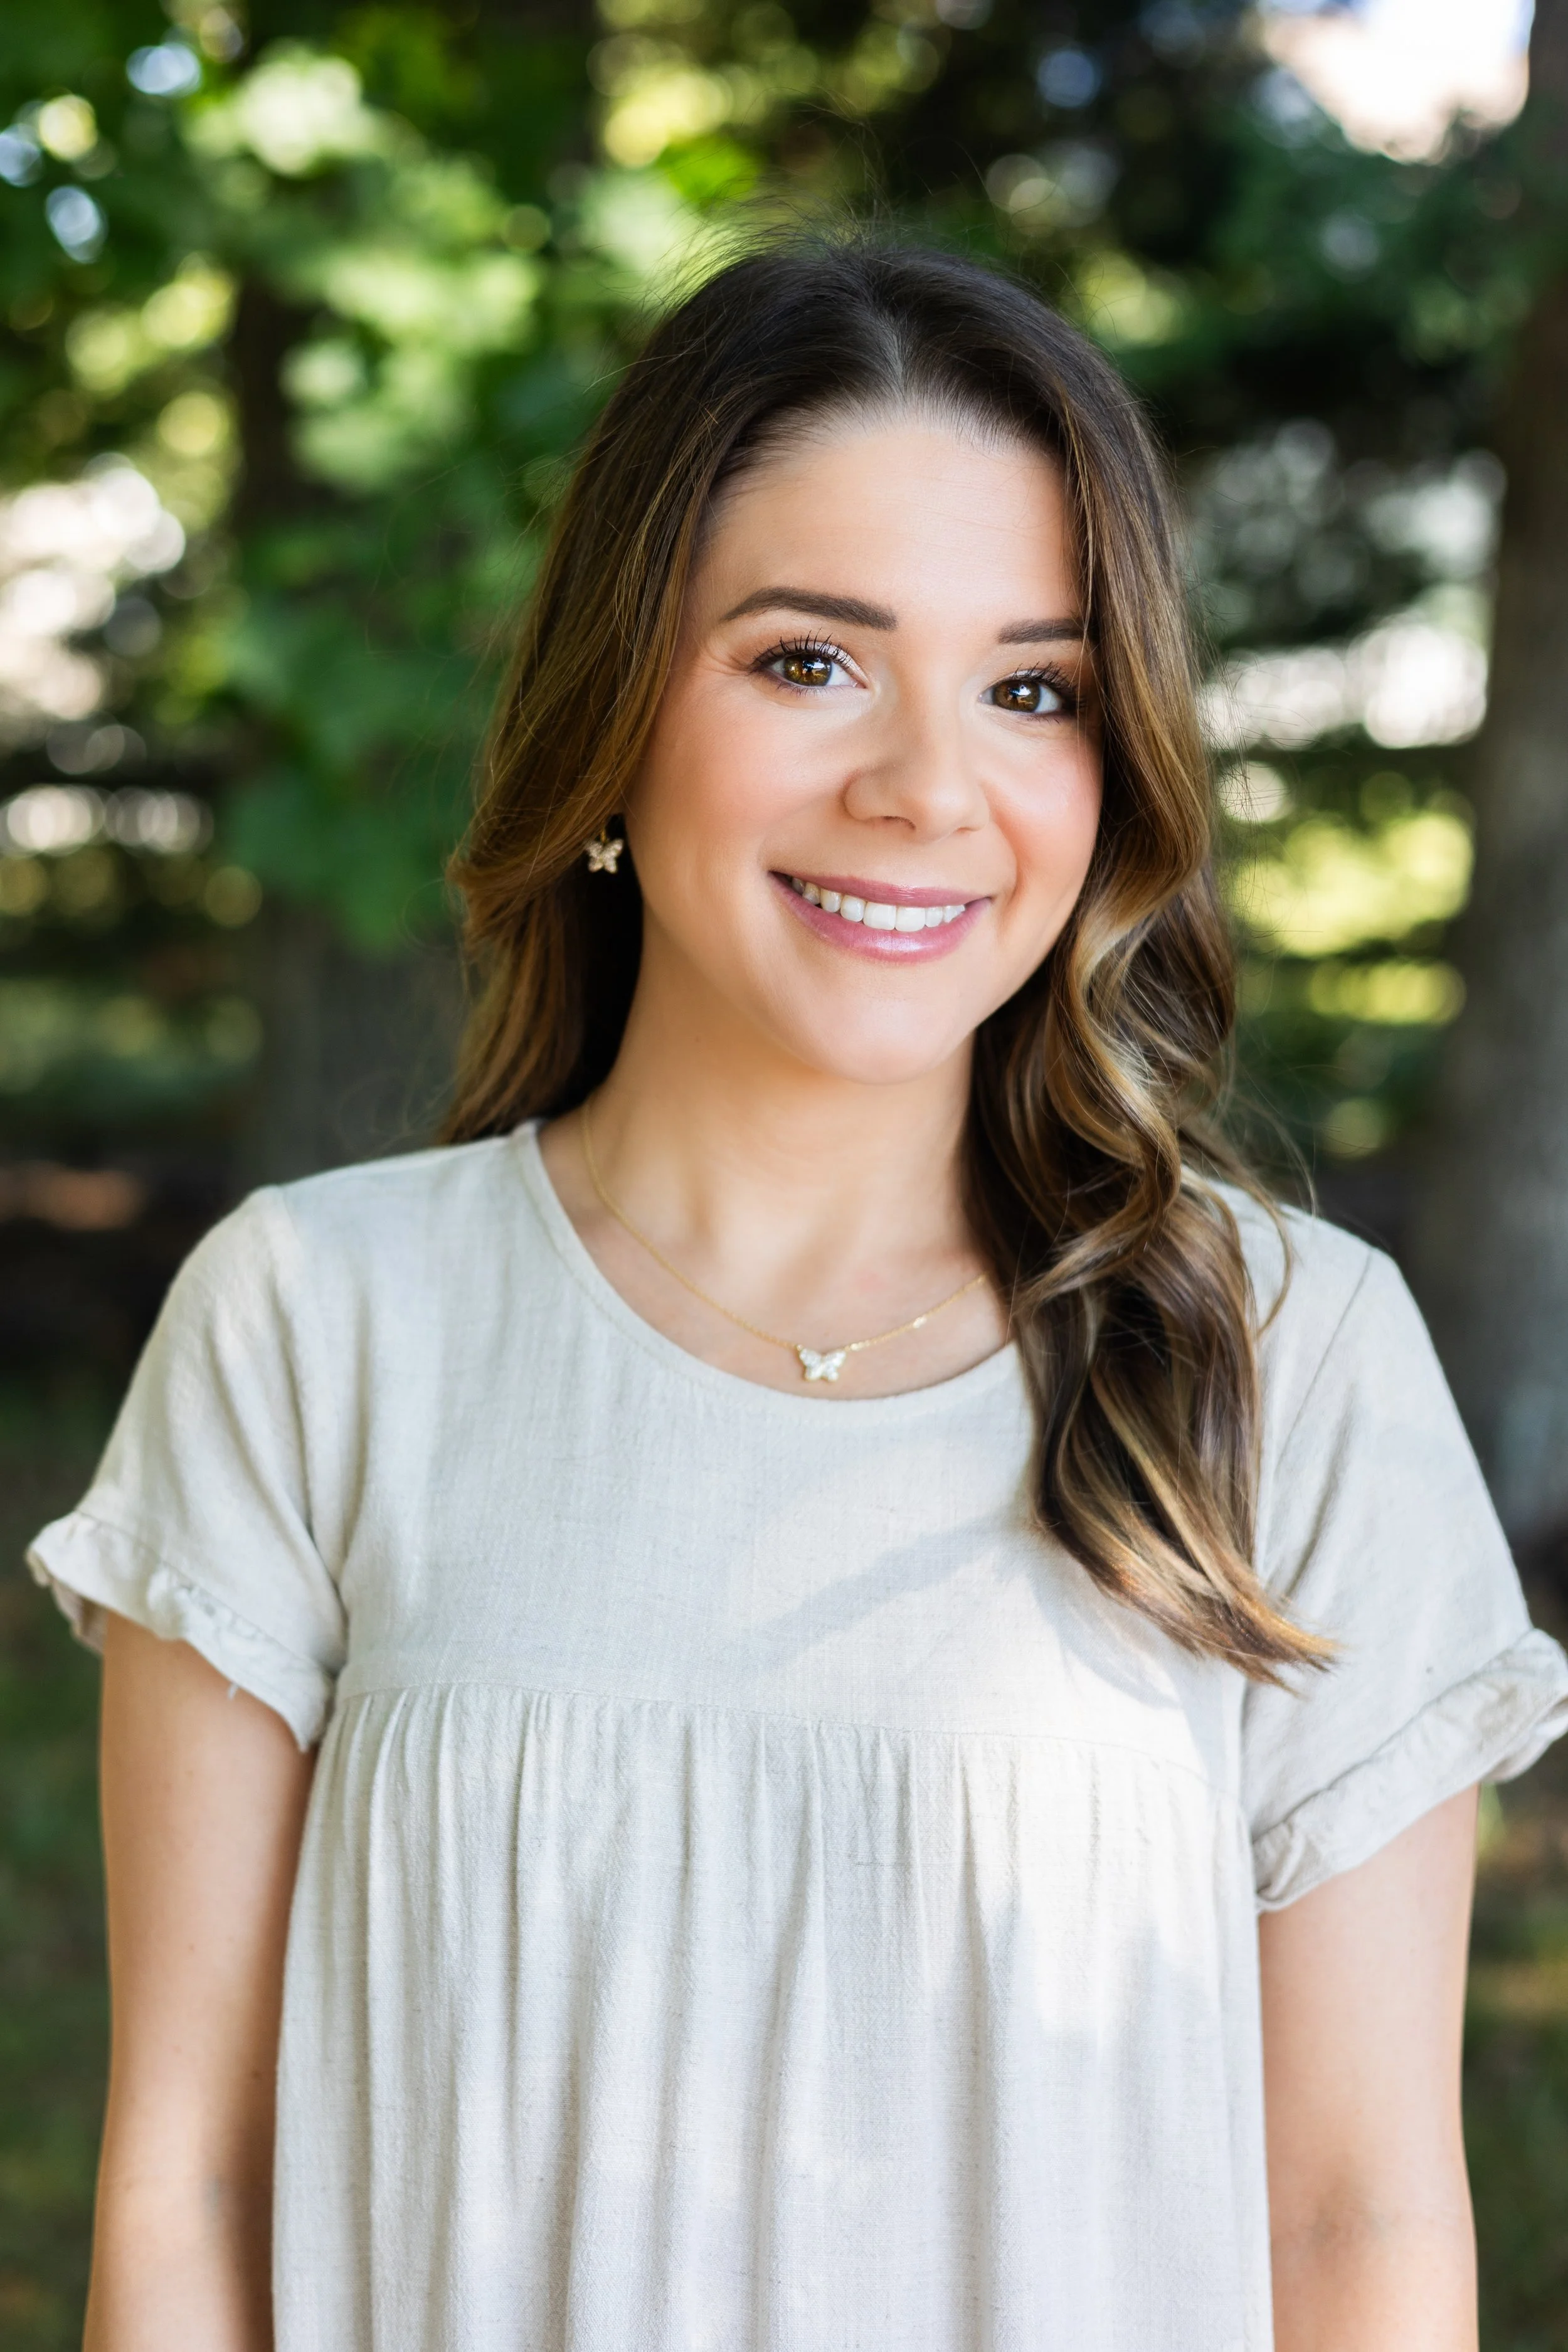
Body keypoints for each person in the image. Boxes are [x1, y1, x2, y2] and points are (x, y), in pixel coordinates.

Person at [29, 240, 1568, 2352]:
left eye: (1033, 687)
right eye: (807, 661)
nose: (931, 787)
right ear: (614, 707)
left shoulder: (1283, 1360)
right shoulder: (318, 1327)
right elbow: (191, 2183)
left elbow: (1363, 2224)